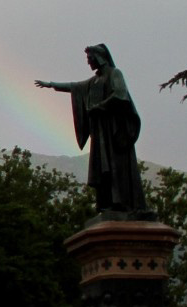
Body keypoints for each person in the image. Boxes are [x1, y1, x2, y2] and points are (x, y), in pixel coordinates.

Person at [35, 43, 148, 214]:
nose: (88, 62)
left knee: (115, 166)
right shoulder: (94, 80)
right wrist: (50, 84)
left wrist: (100, 106)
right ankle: (106, 202)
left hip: (113, 131)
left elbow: (120, 95)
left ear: (98, 57)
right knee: (102, 167)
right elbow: (74, 87)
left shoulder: (114, 74)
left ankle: (120, 203)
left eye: (89, 58)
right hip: (100, 132)